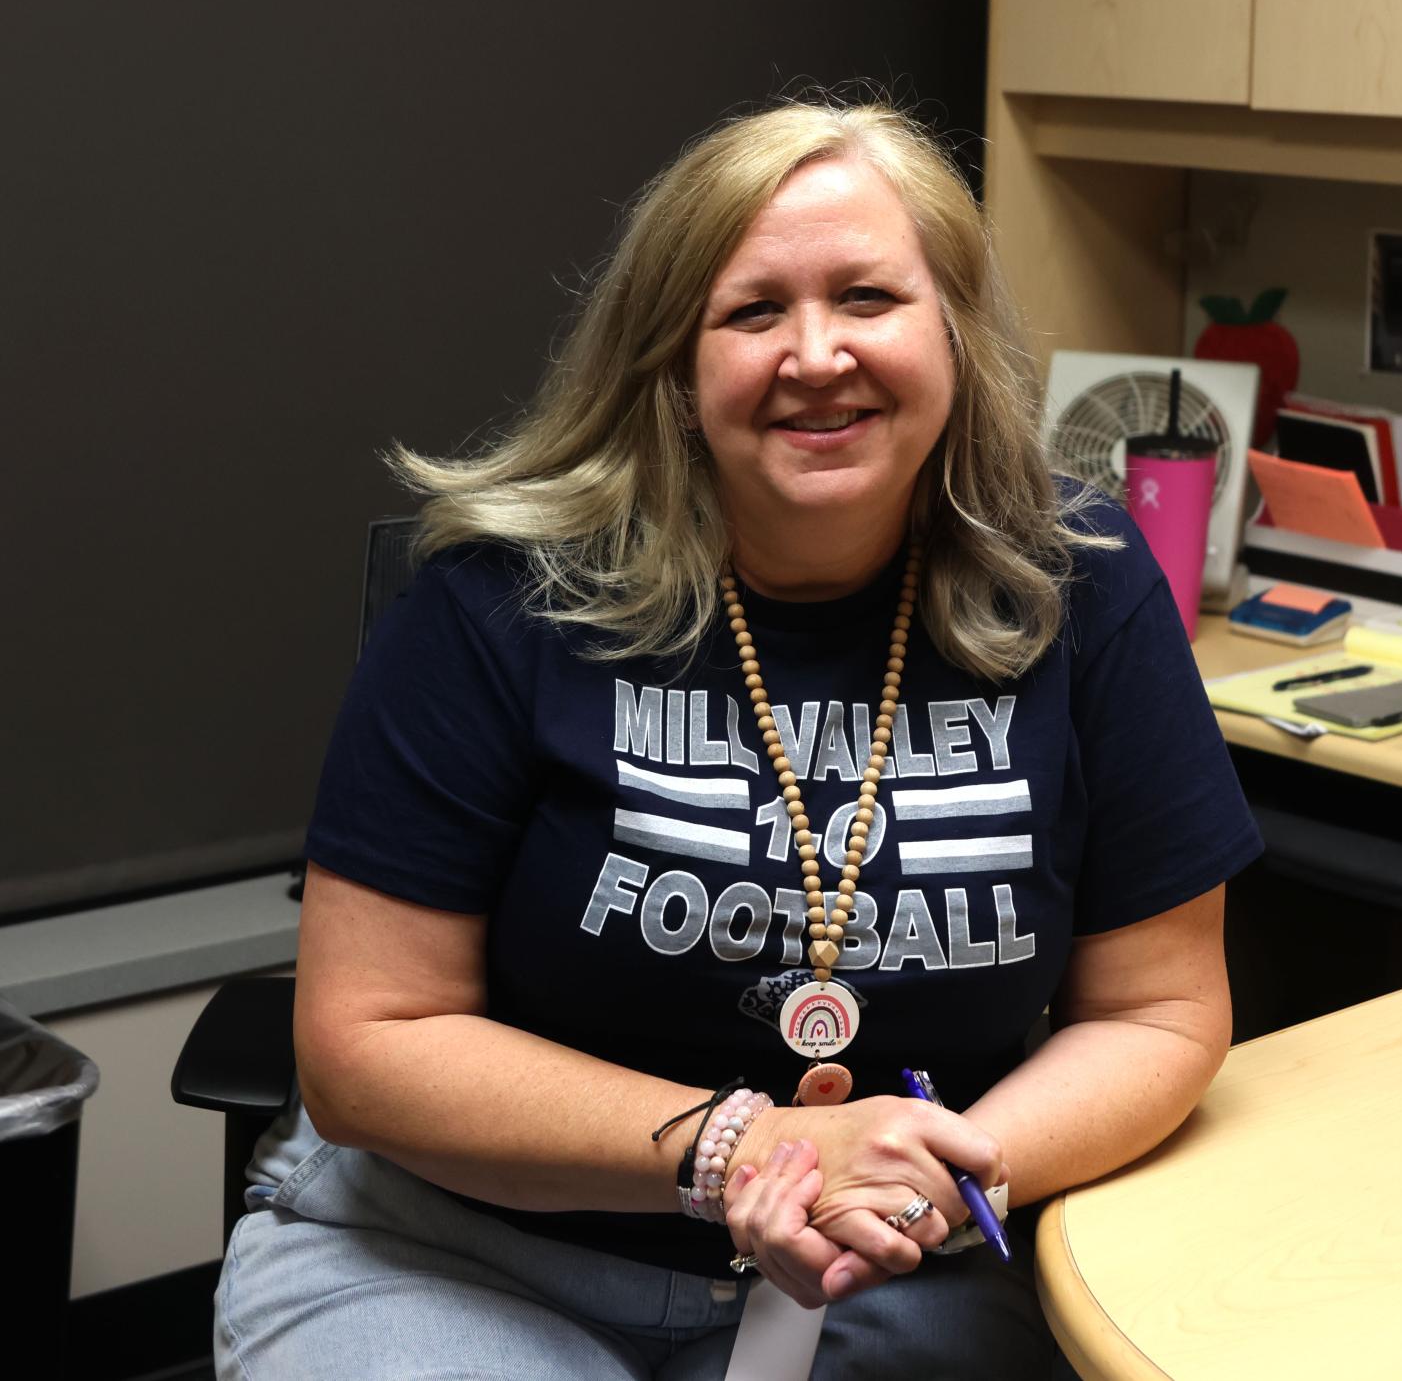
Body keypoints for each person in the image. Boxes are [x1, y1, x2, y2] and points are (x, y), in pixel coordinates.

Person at [214, 98, 1263, 1379]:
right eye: (754, 311)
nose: (816, 355)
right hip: (468, 1264)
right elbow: (367, 1043)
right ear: (672, 361)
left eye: (869, 298)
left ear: (954, 332)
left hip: (902, 1275)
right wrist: (747, 1149)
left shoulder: (1082, 589)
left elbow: (1159, 1014)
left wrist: (929, 1185)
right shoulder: (500, 599)